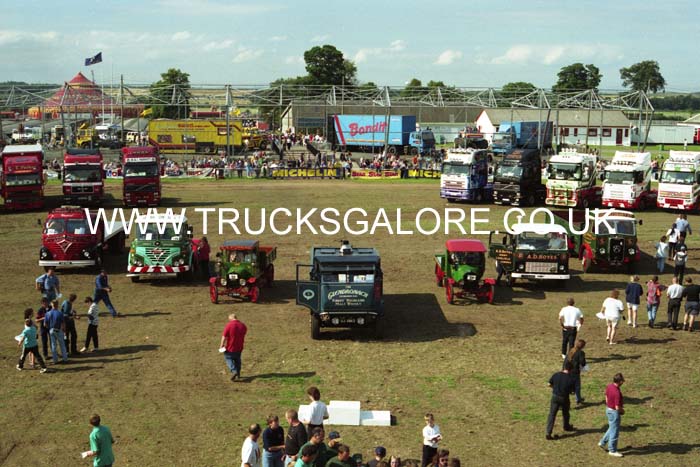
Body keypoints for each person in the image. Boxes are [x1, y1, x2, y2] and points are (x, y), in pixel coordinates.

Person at [545, 361, 576, 439]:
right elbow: (572, 391)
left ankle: (548, 432)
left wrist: (554, 388)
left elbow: (549, 384)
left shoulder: (556, 375)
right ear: (571, 369)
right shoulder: (571, 379)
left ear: (564, 367)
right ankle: (566, 426)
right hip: (564, 398)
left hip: (555, 397)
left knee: (552, 414)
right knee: (565, 413)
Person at [598, 373, 625, 457]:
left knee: (612, 428)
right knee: (614, 431)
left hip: (608, 410)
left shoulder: (609, 386)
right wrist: (622, 411)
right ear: (619, 382)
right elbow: (617, 407)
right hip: (614, 412)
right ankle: (612, 450)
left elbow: (606, 396)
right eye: (622, 381)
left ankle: (602, 442)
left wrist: (608, 404)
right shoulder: (617, 392)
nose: (623, 382)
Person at [220, 313, 247, 381]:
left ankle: (234, 370)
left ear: (231, 318)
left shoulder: (229, 325)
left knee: (228, 358)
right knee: (237, 360)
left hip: (230, 347)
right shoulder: (243, 326)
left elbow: (224, 336)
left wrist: (221, 345)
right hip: (240, 347)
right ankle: (238, 373)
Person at [565, 339, 587, 405]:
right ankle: (578, 399)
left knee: (567, 387)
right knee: (577, 386)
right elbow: (583, 363)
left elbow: (566, 361)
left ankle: (566, 400)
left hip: (567, 371)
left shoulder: (571, 350)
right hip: (575, 372)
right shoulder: (581, 353)